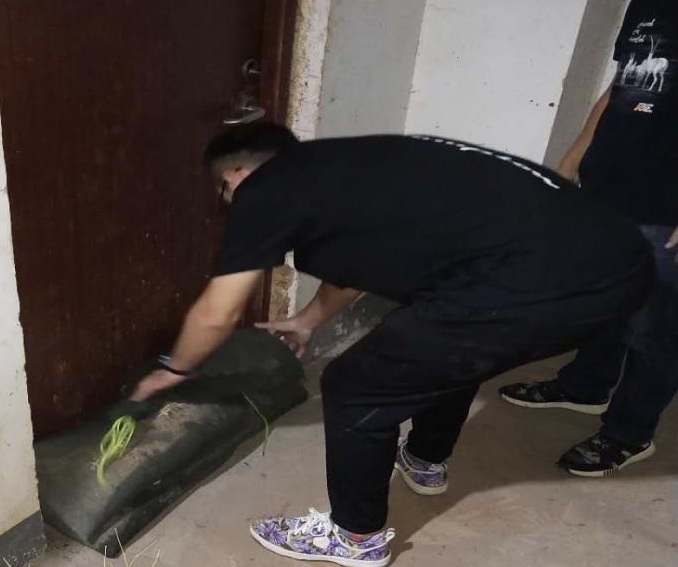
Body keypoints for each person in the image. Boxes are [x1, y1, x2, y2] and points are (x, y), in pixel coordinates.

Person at [131, 122, 651, 567]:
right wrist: (308, 320)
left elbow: (217, 313)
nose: (228, 203)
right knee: (443, 348)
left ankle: (355, 538)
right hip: (620, 261)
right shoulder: (346, 168)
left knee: (356, 386)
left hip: (548, 286)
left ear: (236, 173)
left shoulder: (265, 190)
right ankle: (424, 459)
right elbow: (353, 268)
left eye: (222, 191)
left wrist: (174, 369)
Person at [500, 0, 678, 477]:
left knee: (658, 329)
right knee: (605, 298)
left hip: (668, 208)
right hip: (613, 184)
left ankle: (628, 431)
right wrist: (574, 157)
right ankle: (586, 383)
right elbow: (625, 84)